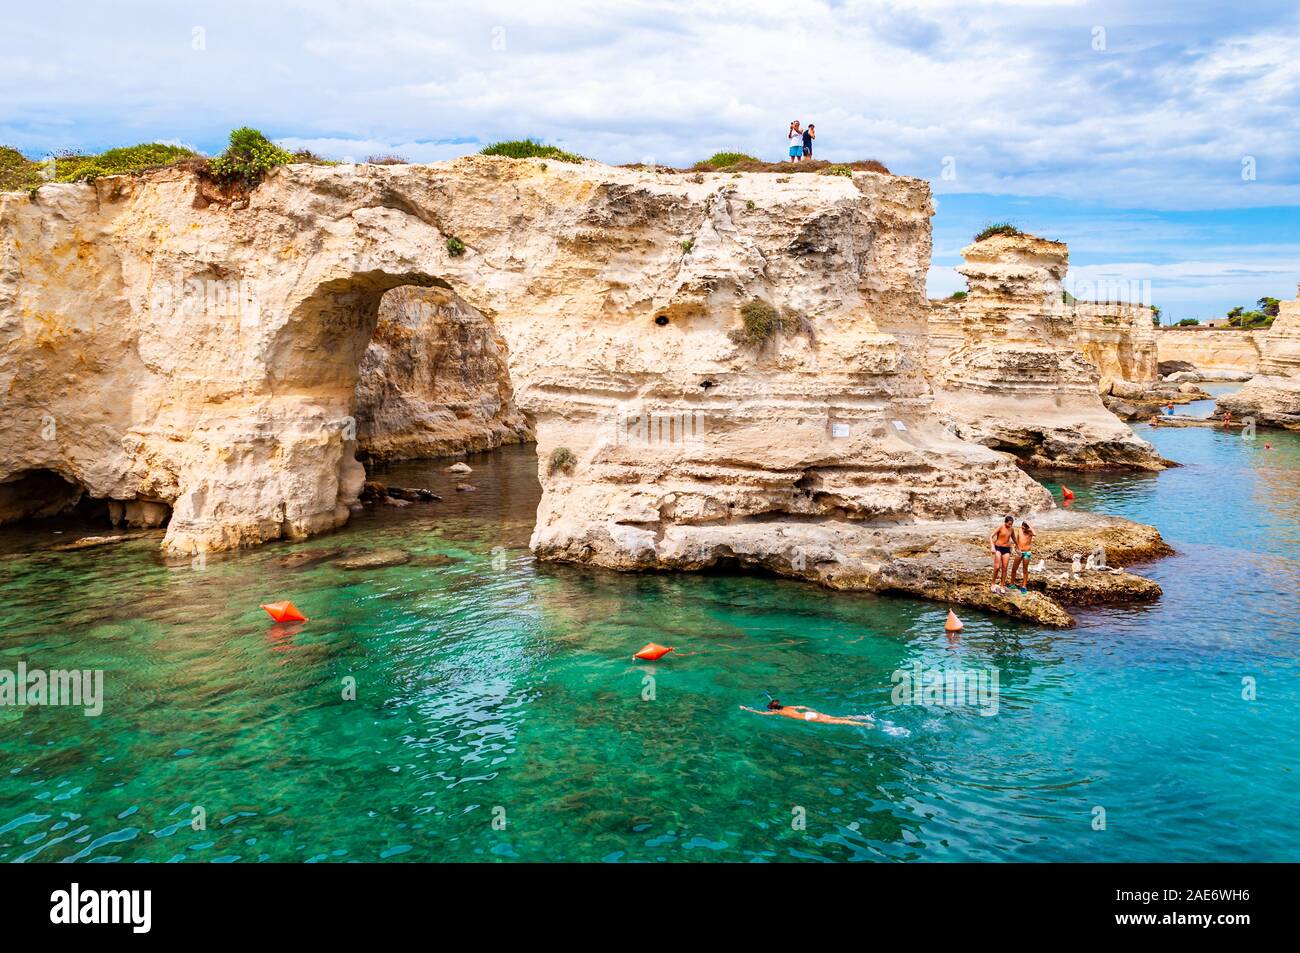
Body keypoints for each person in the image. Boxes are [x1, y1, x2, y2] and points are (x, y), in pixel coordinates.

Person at [740, 700, 874, 726]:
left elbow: (760, 713)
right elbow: (803, 706)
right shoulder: (787, 707)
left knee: (838, 722)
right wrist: (815, 711)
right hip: (811, 714)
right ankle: (863, 718)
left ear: (773, 709)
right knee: (837, 717)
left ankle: (861, 724)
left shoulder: (777, 713)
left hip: (808, 719)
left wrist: (746, 708)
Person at [990, 515, 1015, 595]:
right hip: (998, 548)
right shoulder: (1001, 527)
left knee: (1005, 568)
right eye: (1009, 524)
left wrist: (1018, 548)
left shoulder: (1011, 529)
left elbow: (1014, 539)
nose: (1010, 525)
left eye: (1011, 524)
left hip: (1006, 549)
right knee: (997, 567)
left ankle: (1002, 585)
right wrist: (992, 546)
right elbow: (991, 536)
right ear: (1005, 522)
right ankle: (993, 584)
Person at [1009, 520, 1035, 593]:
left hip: (1027, 552)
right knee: (1014, 568)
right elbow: (1017, 539)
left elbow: (1035, 534)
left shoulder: (1030, 532)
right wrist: (1016, 547)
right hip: (1019, 552)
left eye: (1024, 527)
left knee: (1025, 570)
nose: (1022, 528)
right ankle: (1011, 584)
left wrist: (1029, 524)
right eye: (1022, 526)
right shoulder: (1019, 530)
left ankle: (1024, 586)